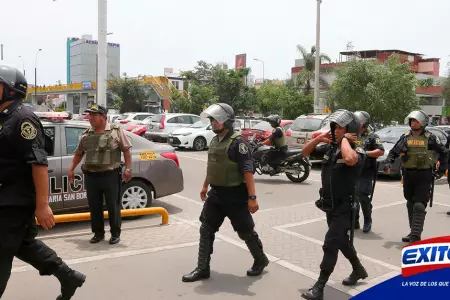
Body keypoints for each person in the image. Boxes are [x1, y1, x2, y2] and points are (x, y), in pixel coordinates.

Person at [0, 65, 85, 299]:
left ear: (10, 90)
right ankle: (68, 276)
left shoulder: (23, 119)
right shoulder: (3, 117)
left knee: (2, 250)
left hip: (14, 202)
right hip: (5, 198)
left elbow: (39, 164)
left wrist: (42, 205)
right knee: (23, 243)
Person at [182, 103, 269, 282]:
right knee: (206, 229)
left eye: (216, 120)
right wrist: (205, 185)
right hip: (216, 194)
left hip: (235, 196)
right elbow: (213, 167)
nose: (213, 122)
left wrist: (252, 198)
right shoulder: (215, 140)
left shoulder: (238, 143)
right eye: (212, 119)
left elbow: (248, 171)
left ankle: (261, 260)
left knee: (245, 231)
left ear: (227, 121)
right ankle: (202, 268)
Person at [300, 109, 368, 300]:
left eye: (340, 128)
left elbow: (349, 159)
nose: (336, 131)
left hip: (345, 207)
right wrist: (319, 138)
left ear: (351, 129)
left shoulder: (357, 149)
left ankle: (319, 287)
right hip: (330, 206)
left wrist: (345, 139)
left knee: (331, 243)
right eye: (334, 127)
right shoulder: (330, 148)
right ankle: (358, 269)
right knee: (341, 241)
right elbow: (304, 153)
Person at [69, 104, 132, 245]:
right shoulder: (86, 134)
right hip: (92, 176)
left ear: (103, 117)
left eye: (94, 115)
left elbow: (126, 150)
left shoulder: (116, 131)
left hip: (111, 176)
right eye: (89, 115)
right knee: (94, 207)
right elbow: (79, 153)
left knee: (113, 206)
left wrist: (128, 169)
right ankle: (98, 234)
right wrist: (71, 169)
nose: (90, 118)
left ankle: (115, 234)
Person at [384, 110, 448, 243]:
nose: (414, 123)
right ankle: (413, 231)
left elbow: (444, 152)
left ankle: (415, 237)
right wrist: (388, 163)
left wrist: (441, 170)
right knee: (410, 203)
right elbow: (393, 152)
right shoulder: (405, 137)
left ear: (423, 123)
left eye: (416, 120)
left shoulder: (430, 138)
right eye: (412, 120)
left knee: (419, 205)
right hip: (408, 174)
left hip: (424, 175)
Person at [353, 111, 385, 233]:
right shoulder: (351, 134)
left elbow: (380, 151)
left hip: (365, 170)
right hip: (352, 170)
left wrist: (365, 153)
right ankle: (354, 220)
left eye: (360, 122)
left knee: (362, 196)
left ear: (365, 124)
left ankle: (367, 219)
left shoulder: (372, 137)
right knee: (352, 196)